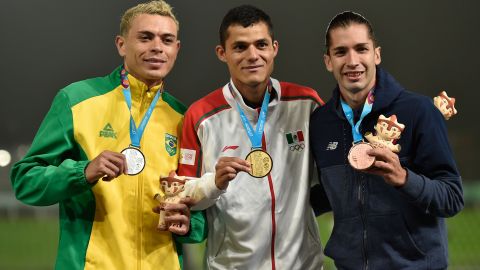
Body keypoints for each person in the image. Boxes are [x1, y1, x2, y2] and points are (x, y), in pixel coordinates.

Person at [10, 1, 205, 269]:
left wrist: (189, 224)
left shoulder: (186, 119)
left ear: (176, 49)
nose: (157, 47)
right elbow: (25, 180)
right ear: (121, 44)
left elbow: (200, 206)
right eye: (145, 37)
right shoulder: (77, 100)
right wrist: (83, 171)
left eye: (167, 39)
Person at [309, 11, 464, 269]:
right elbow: (334, 192)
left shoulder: (419, 111)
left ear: (376, 55)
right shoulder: (321, 123)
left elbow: (452, 197)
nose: (352, 60)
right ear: (328, 61)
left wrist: (404, 178)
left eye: (361, 49)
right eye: (341, 52)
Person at [178, 5, 324, 269]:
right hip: (231, 264)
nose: (253, 55)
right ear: (222, 53)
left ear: (274, 48)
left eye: (261, 44)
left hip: (303, 264)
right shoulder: (200, 116)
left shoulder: (306, 103)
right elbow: (183, 191)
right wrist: (214, 183)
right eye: (240, 47)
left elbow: (332, 170)